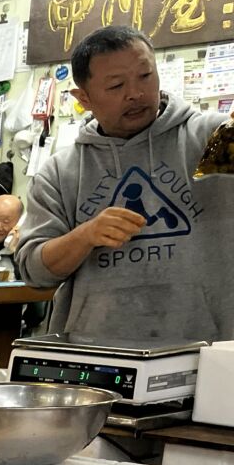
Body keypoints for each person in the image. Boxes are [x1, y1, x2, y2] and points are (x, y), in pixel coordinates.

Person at [17, 26, 234, 345]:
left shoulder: (208, 139)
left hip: (208, 349)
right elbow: (35, 271)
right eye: (116, 85)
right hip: (98, 354)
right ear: (84, 98)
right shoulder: (62, 172)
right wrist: (85, 235)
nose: (135, 93)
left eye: (145, 76)